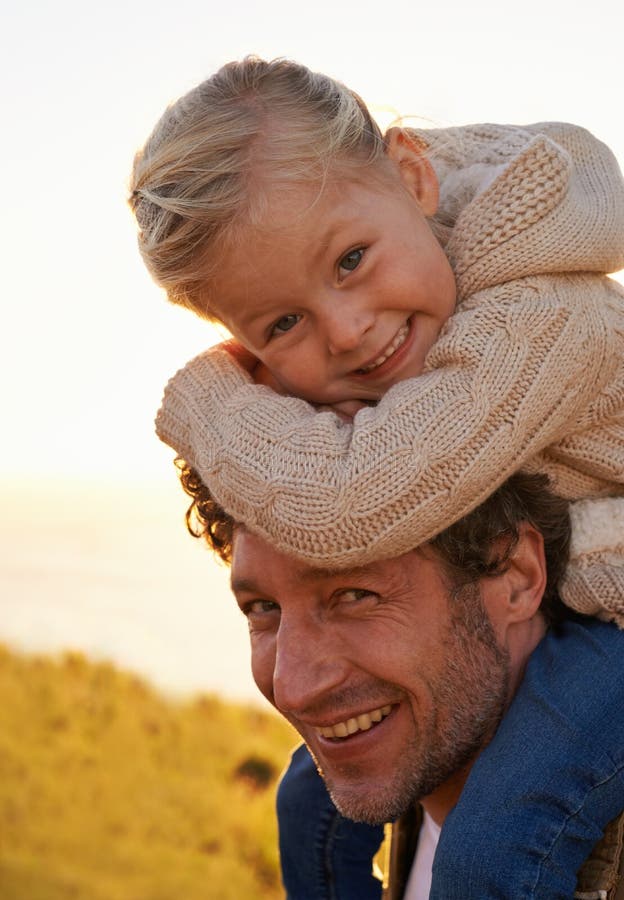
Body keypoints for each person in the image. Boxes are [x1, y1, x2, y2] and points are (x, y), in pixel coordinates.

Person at [128, 57, 624, 895]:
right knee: (308, 807)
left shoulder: (544, 317)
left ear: (413, 174)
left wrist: (206, 395)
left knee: (497, 849)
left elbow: (344, 505)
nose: (350, 332)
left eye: (351, 259)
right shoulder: (417, 329)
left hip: (612, 627)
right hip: (570, 588)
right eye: (283, 322)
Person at [174, 464, 624, 898]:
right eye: (262, 608)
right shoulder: (410, 774)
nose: (292, 687)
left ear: (516, 576)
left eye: (355, 595)